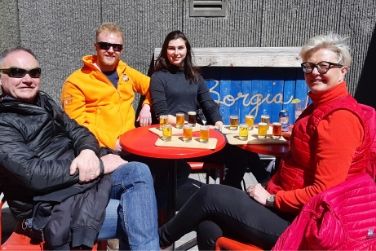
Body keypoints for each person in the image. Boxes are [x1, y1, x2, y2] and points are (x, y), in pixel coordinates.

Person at [158, 33, 372, 250]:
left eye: (324, 66)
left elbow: (324, 191)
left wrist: (271, 199)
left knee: (209, 194)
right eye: (308, 66)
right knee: (208, 227)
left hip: (306, 223)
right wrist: (268, 188)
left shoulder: (340, 119)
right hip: (288, 208)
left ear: (343, 71)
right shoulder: (318, 108)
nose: (314, 72)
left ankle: (155, 242)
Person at [0, 47, 159, 250]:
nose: (28, 78)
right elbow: (33, 174)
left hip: (80, 187)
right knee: (139, 212)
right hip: (49, 208)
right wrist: (98, 166)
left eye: (35, 72)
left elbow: (80, 132)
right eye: (16, 72)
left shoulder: (44, 102)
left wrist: (87, 152)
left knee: (138, 170)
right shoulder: (4, 123)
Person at [150, 30, 267, 189]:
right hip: (176, 138)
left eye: (180, 48)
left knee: (241, 147)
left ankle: (249, 185)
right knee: (238, 155)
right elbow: (162, 115)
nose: (176, 53)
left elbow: (208, 103)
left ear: (187, 50)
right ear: (165, 50)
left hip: (198, 135)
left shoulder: (194, 75)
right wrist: (197, 127)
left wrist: (218, 122)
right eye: (172, 48)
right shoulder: (158, 77)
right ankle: (254, 186)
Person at [61, 22, 152, 152]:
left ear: (121, 50)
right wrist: (112, 142)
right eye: (105, 46)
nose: (110, 51)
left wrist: (146, 106)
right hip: (99, 148)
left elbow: (154, 87)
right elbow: (76, 125)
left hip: (131, 142)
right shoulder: (75, 82)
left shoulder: (126, 71)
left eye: (116, 47)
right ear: (96, 47)